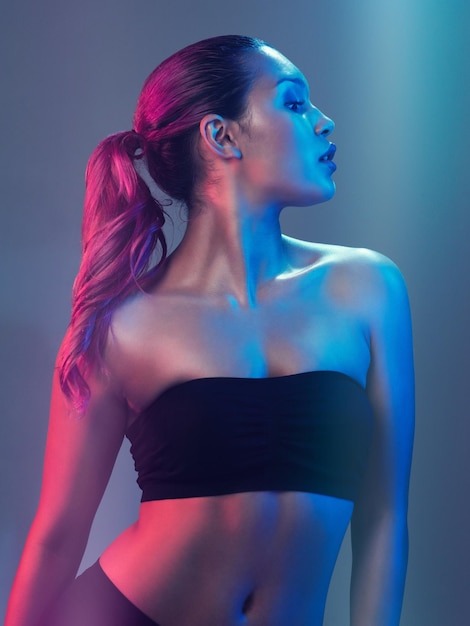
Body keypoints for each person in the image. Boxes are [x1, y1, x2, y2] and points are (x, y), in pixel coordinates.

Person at [5, 35, 414, 626]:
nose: (325, 123)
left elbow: (383, 518)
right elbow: (56, 537)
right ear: (222, 135)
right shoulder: (118, 323)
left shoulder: (368, 287)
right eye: (295, 103)